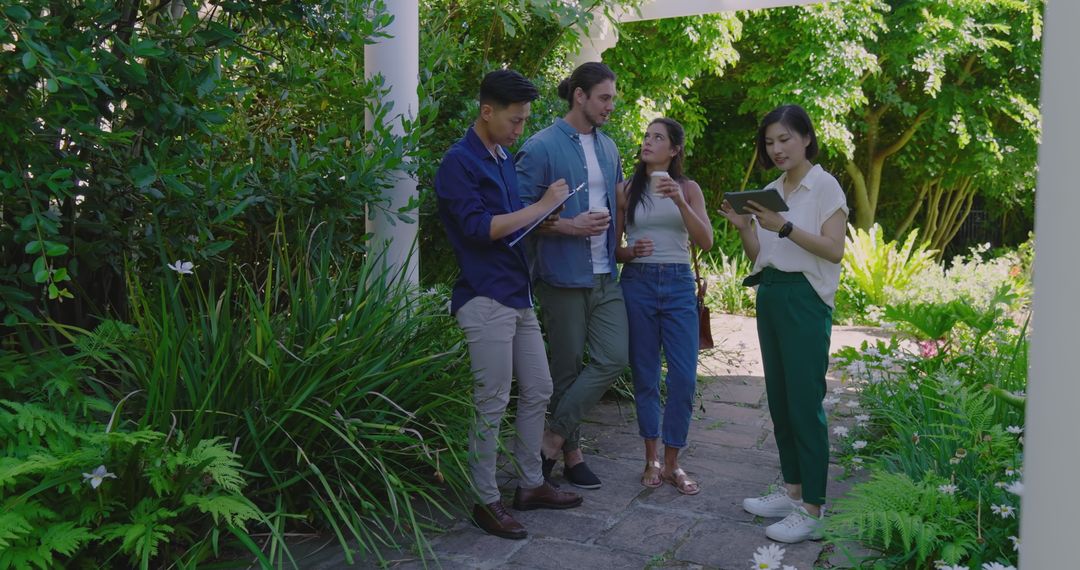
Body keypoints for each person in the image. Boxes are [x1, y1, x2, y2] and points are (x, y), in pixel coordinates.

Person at [435, 69, 584, 540]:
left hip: (516, 293)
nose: (520, 130)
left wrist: (542, 216)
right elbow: (481, 229)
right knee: (492, 400)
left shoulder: (500, 156)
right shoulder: (458, 162)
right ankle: (485, 498)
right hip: (483, 297)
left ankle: (530, 485)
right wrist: (541, 206)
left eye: (523, 121)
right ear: (487, 111)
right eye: (515, 121)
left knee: (538, 388)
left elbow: (510, 225)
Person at [719, 104, 848, 543]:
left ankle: (813, 508)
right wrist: (743, 226)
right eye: (770, 142)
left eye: (785, 139)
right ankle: (793, 492)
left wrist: (785, 226)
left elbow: (834, 251)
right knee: (779, 399)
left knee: (804, 404)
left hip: (805, 300)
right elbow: (763, 254)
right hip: (771, 292)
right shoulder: (773, 188)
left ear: (807, 138)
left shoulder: (824, 186)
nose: (776, 148)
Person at [515, 62, 626, 490]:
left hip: (605, 274)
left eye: (612, 98)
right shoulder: (541, 147)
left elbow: (619, 204)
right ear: (579, 95)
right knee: (565, 370)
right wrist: (570, 226)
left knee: (614, 357)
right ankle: (573, 457)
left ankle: (551, 439)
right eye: (604, 98)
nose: (610, 106)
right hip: (561, 275)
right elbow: (519, 218)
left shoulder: (610, 148)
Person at [615, 118, 713, 495]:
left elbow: (705, 242)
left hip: (677, 285)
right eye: (646, 136)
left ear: (674, 150)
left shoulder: (688, 188)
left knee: (684, 379)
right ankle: (651, 459)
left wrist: (677, 200)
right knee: (645, 374)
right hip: (637, 283)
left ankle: (674, 463)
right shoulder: (626, 189)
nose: (648, 142)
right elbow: (614, 249)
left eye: (658, 138)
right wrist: (629, 250)